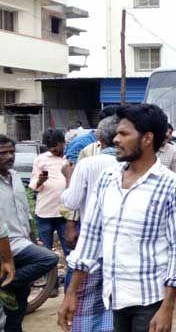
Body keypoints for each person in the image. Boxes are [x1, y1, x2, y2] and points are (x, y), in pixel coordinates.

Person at [58, 104, 176, 332]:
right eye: (117, 133)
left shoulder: (172, 185)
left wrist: (167, 307)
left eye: (124, 133)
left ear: (147, 139)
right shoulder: (107, 178)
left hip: (149, 300)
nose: (115, 139)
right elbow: (90, 238)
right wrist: (71, 294)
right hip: (113, 295)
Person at [60, 116, 119, 332]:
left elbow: (72, 201)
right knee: (113, 301)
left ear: (99, 138)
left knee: (86, 301)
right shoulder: (131, 163)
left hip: (92, 246)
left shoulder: (88, 163)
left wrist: (67, 177)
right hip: (120, 247)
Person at [0, 134, 59, 332]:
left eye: (11, 152)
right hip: (5, 246)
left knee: (19, 303)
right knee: (49, 259)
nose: (9, 156)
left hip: (22, 241)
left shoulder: (15, 176)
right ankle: (5, 284)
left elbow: (25, 211)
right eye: (3, 153)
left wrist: (33, 239)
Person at [29, 129, 69, 295]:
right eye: (50, 147)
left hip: (65, 213)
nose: (53, 150)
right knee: (46, 252)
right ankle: (51, 286)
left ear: (63, 142)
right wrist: (40, 180)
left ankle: (70, 285)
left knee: (69, 250)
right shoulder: (41, 159)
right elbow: (34, 187)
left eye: (55, 146)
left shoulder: (70, 158)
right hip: (44, 213)